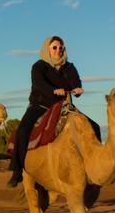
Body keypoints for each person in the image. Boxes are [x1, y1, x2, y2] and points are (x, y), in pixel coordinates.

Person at [7, 35, 83, 187]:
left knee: (90, 126)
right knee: (22, 131)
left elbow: (76, 82)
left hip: (63, 107)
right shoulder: (39, 66)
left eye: (60, 48)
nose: (58, 51)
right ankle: (17, 171)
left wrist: (78, 89)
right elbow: (39, 84)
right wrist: (54, 91)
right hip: (40, 106)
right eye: (54, 47)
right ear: (47, 49)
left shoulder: (69, 67)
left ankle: (91, 163)